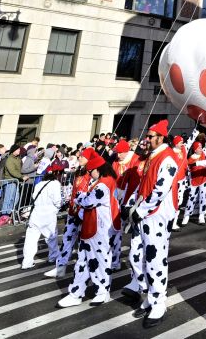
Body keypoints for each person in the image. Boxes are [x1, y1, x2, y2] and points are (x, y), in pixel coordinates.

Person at [126, 119, 186, 326]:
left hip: (157, 215)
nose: (147, 139)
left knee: (155, 260)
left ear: (161, 137)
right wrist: (133, 206)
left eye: (151, 136)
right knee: (137, 256)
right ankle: (150, 295)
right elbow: (144, 184)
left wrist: (141, 210)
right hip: (145, 214)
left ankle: (158, 301)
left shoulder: (167, 159)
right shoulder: (154, 156)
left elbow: (161, 189)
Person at [58, 149, 119, 307]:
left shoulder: (104, 183)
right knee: (82, 261)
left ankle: (102, 291)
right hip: (91, 227)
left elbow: (88, 201)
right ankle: (76, 292)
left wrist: (80, 197)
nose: (89, 174)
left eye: (91, 171)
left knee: (100, 260)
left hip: (99, 228)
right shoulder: (102, 181)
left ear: (97, 169)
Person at [22, 165, 65, 269]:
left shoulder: (39, 184)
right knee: (51, 237)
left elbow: (33, 197)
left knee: (30, 239)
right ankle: (53, 257)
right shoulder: (55, 184)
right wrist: (59, 207)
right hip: (49, 214)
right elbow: (57, 200)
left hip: (36, 214)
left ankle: (26, 262)